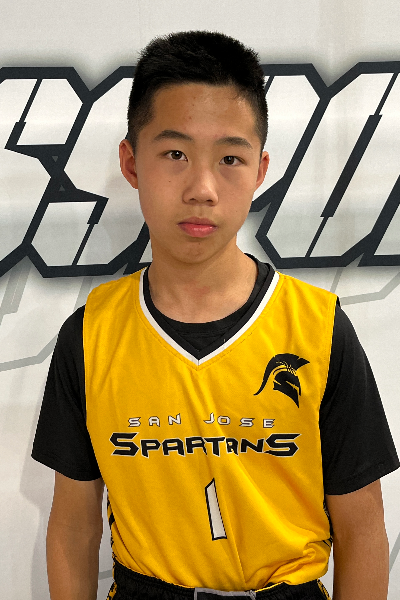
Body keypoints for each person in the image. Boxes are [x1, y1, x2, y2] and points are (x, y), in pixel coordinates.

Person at [32, 31, 399, 600]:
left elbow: (363, 527)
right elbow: (74, 525)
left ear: (260, 169)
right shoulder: (91, 333)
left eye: (230, 158)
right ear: (131, 162)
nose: (202, 188)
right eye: (175, 154)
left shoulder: (318, 326)